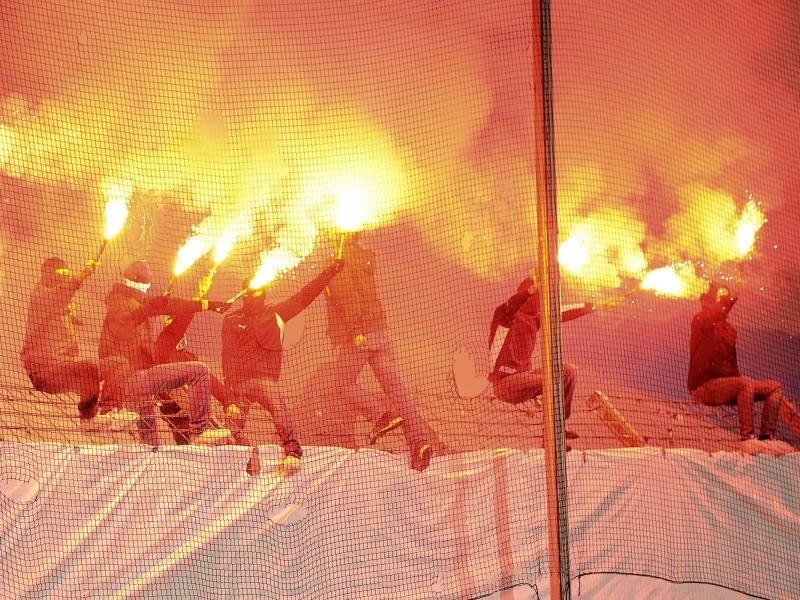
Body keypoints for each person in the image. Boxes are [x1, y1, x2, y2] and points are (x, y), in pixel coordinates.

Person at [222, 258, 344, 475]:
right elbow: (227, 356)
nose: (253, 297)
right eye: (249, 293)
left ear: (264, 293)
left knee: (279, 410)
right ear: (244, 294)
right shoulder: (232, 319)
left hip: (265, 379)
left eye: (257, 293)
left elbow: (304, 296)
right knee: (233, 423)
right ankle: (239, 458)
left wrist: (329, 272)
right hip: (239, 384)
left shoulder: (275, 313)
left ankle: (292, 452)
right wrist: (229, 395)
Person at [325, 233, 432, 472]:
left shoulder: (338, 261)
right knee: (398, 390)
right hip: (380, 331)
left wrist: (355, 330)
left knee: (342, 384)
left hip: (360, 334)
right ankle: (419, 441)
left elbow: (349, 299)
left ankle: (380, 416)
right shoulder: (363, 257)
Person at [99, 259, 231, 446]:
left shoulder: (138, 302)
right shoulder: (119, 299)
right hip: (130, 380)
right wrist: (151, 307)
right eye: (147, 269)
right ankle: (200, 430)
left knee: (150, 442)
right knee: (199, 371)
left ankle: (149, 453)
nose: (151, 272)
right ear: (136, 276)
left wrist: (207, 304)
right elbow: (125, 324)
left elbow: (172, 305)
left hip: (136, 383)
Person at [21, 256, 133, 430]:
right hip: (45, 373)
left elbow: (62, 301)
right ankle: (88, 419)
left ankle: (108, 412)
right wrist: (85, 273)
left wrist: (71, 317)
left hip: (66, 369)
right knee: (88, 368)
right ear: (46, 274)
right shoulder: (41, 296)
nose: (64, 275)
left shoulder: (59, 306)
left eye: (67, 272)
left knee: (119, 364)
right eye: (60, 272)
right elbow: (61, 294)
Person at [488, 275, 600, 447]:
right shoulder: (506, 317)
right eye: (539, 296)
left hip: (524, 379)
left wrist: (588, 307)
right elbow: (510, 304)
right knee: (552, 379)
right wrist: (530, 290)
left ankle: (558, 426)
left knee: (569, 371)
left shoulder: (536, 319)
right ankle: (550, 436)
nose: (542, 301)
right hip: (504, 383)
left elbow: (560, 312)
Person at [688, 277, 783, 442]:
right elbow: (713, 315)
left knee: (774, 388)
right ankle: (748, 438)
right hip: (704, 386)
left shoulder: (728, 330)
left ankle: (767, 437)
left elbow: (731, 365)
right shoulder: (699, 321)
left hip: (727, 386)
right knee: (745, 383)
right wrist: (730, 300)